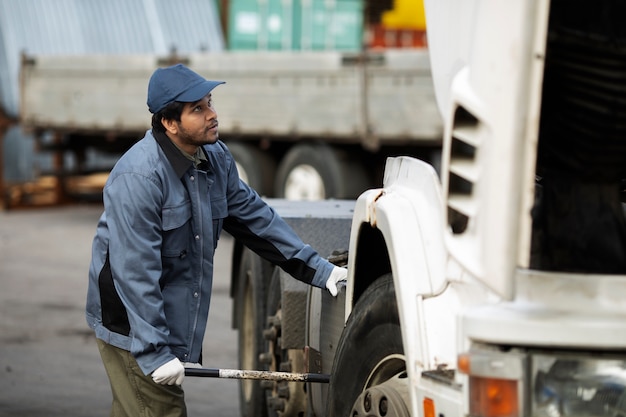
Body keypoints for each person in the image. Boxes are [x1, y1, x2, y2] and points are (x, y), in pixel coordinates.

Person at [85, 63, 347, 417]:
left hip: (162, 319)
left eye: (209, 102)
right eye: (198, 109)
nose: (213, 114)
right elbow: (135, 274)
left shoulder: (215, 158)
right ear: (169, 123)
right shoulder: (139, 178)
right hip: (132, 326)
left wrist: (321, 270)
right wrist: (155, 352)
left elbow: (256, 221)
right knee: (159, 410)